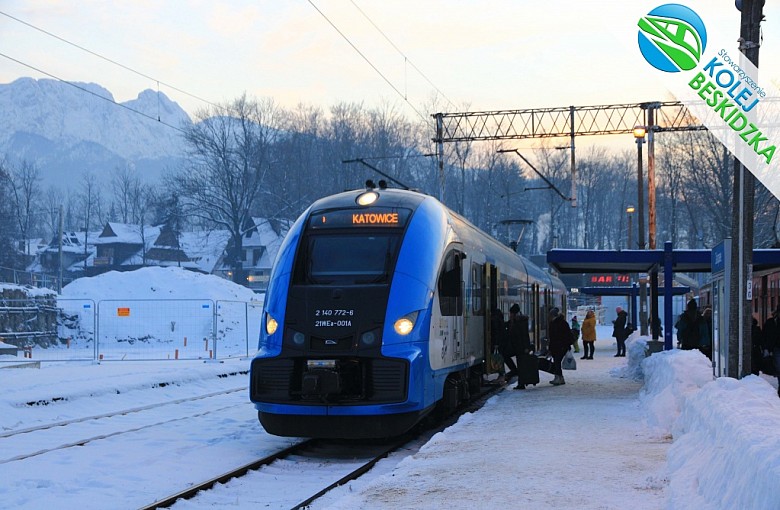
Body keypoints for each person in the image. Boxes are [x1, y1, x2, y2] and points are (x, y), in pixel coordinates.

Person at [506, 303, 534, 389]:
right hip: (517, 346)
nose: (510, 315)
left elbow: (524, 336)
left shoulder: (520, 322)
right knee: (517, 362)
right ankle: (518, 378)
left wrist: (526, 348)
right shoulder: (514, 322)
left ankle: (521, 383)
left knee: (521, 365)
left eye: (511, 313)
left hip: (521, 347)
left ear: (514, 313)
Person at [547, 307, 573, 386]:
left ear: (552, 315)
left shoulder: (555, 324)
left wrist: (551, 347)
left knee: (557, 362)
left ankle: (558, 378)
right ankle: (560, 378)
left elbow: (554, 337)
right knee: (557, 362)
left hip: (559, 346)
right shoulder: (563, 322)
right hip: (561, 346)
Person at [762, 306, 780, 398]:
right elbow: (765, 336)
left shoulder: (771, 322)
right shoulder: (771, 322)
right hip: (775, 348)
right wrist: (767, 348)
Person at [489, 308, 507, 384]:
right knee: (500, 358)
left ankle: (501, 376)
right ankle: (501, 376)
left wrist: (496, 343)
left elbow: (495, 332)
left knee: (499, 359)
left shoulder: (495, 320)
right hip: (501, 341)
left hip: (498, 342)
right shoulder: (500, 319)